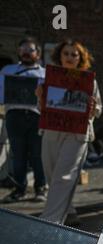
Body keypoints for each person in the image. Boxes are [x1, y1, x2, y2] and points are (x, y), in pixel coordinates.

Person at [36, 39, 103, 226]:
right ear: (60, 55)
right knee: (51, 172)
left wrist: (93, 108)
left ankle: (50, 220)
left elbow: (98, 109)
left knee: (64, 175)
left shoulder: (89, 81)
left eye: (74, 54)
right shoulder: (49, 77)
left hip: (77, 133)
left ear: (81, 58)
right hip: (52, 130)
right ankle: (69, 209)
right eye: (66, 53)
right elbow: (43, 107)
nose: (70, 57)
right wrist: (40, 97)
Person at [0, 37, 47, 203]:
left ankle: (40, 188)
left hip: (36, 116)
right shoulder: (8, 70)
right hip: (14, 116)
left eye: (30, 50)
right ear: (19, 52)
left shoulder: (44, 74)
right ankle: (19, 189)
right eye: (23, 50)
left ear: (38, 53)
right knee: (17, 154)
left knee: (37, 154)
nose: (27, 53)